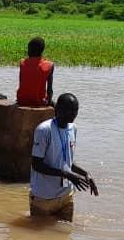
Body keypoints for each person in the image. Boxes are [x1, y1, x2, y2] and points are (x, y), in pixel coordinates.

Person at [29, 92, 98, 222]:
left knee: (65, 236)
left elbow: (68, 161)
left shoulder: (73, 129)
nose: (73, 114)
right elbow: (36, 165)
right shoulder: (44, 130)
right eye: (69, 110)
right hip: (44, 197)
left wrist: (86, 174)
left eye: (75, 110)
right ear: (58, 110)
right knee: (40, 237)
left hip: (66, 195)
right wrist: (67, 175)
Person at [17, 36, 55, 107]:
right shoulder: (49, 65)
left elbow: (22, 83)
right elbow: (50, 90)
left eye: (28, 49)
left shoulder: (22, 63)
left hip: (21, 100)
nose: (27, 51)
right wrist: (49, 102)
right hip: (39, 102)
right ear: (42, 51)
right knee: (56, 105)